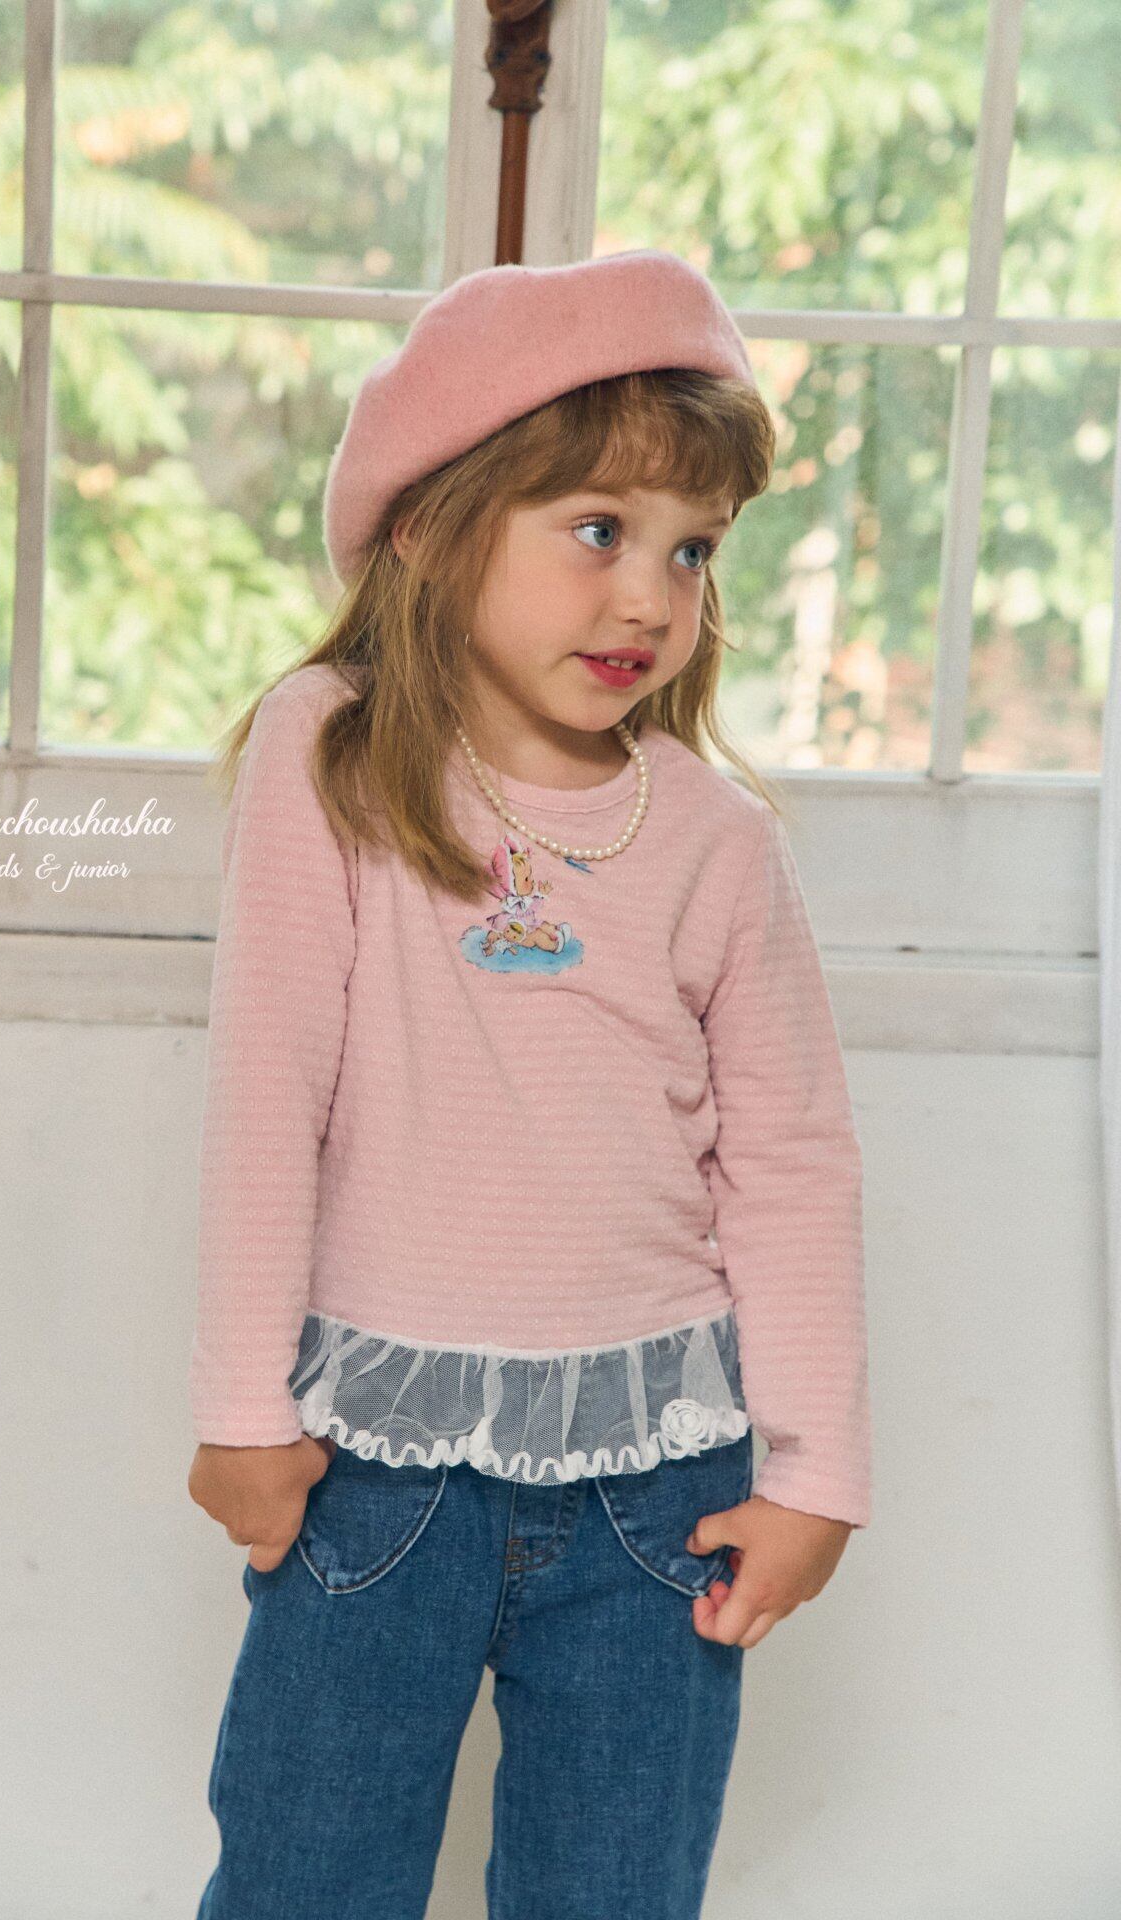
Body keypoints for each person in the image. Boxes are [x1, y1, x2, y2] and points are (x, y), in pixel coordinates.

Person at [186, 248, 872, 1920]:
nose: (650, 598)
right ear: (430, 527)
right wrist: (239, 1409)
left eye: (692, 549)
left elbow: (789, 1161)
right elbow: (270, 1090)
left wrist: (815, 1473)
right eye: (598, 530)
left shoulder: (714, 839)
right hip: (376, 1473)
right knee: (304, 1880)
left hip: (660, 1488)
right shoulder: (333, 758)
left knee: (613, 1891)